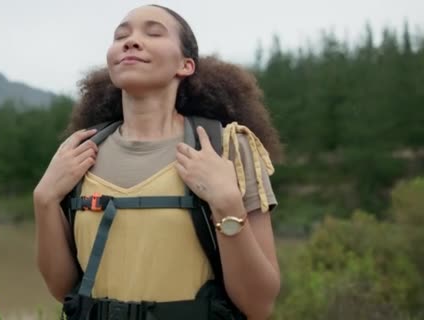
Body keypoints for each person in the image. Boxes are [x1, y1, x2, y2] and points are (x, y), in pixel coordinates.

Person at [34, 4, 282, 319]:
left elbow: (259, 305)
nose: (131, 41)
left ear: (186, 65)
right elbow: (62, 288)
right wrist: (44, 200)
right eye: (121, 35)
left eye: (153, 33)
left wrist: (228, 203)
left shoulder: (227, 146)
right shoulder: (81, 152)